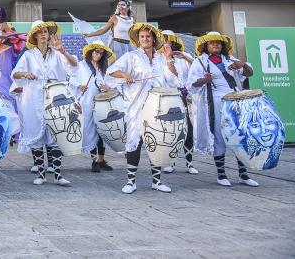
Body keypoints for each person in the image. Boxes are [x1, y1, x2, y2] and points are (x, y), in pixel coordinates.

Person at [106, 23, 182, 194]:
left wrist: (169, 58)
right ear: (138, 40)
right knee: (135, 142)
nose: (145, 39)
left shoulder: (161, 58)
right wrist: (125, 75)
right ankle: (131, 181)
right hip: (136, 107)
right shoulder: (131, 56)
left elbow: (173, 78)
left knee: (157, 141)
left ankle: (157, 181)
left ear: (153, 39)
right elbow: (111, 71)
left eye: (148, 36)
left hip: (157, 107)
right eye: (142, 37)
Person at [10, 20, 78, 186]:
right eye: (39, 32)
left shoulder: (57, 54)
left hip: (55, 98)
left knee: (55, 134)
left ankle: (57, 175)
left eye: (45, 32)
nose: (43, 34)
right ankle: (41, 173)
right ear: (34, 36)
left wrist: (62, 50)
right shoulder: (28, 55)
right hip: (33, 99)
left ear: (49, 35)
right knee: (36, 136)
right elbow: (15, 74)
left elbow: (74, 66)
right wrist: (26, 74)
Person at [187, 31, 258, 187]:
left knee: (240, 135)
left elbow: (250, 73)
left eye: (218, 42)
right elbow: (191, 84)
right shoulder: (199, 62)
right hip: (216, 103)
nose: (215, 44)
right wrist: (204, 80)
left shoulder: (231, 59)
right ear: (206, 46)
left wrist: (243, 64)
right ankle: (221, 174)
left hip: (236, 101)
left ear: (223, 45)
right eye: (212, 42)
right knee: (219, 136)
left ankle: (244, 175)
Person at [72, 40, 115, 172]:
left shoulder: (103, 69)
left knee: (101, 132)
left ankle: (101, 160)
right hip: (87, 103)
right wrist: (79, 86)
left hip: (101, 103)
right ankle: (94, 160)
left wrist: (107, 88)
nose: (99, 55)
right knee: (91, 132)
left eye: (101, 53)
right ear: (91, 52)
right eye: (97, 52)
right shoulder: (81, 65)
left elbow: (110, 83)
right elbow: (71, 78)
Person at [159, 30, 199, 175]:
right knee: (174, 131)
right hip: (171, 98)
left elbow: (199, 68)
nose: (165, 44)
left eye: (167, 41)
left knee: (188, 130)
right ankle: (172, 162)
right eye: (163, 41)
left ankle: (190, 163)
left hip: (188, 97)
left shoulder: (184, 56)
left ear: (173, 42)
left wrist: (185, 58)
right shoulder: (158, 59)